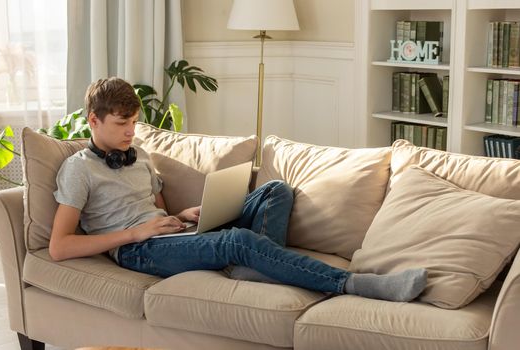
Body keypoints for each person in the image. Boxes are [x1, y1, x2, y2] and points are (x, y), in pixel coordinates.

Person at [49, 77, 427, 302]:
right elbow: (60, 246)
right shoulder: (78, 170)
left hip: (167, 233)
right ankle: (353, 284)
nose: (131, 132)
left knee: (276, 190)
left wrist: (179, 217)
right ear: (94, 120)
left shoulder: (141, 155)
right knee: (237, 240)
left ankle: (253, 268)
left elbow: (158, 208)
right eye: (121, 124)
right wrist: (136, 232)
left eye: (134, 122)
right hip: (137, 250)